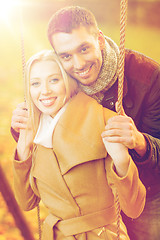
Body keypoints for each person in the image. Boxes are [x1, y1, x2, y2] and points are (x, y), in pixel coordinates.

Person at [11, 6, 160, 240]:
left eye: (84, 48)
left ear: (99, 39)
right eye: (66, 56)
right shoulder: (61, 77)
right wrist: (21, 129)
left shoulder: (146, 76)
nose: (78, 64)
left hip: (146, 183)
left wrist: (138, 142)